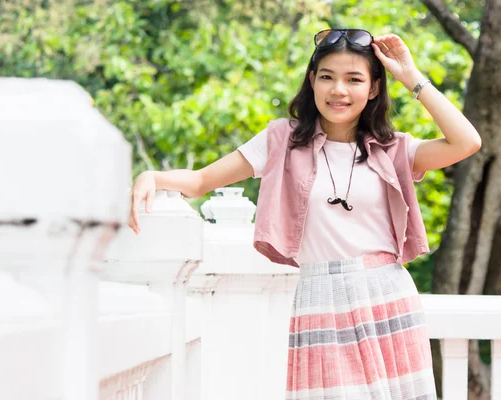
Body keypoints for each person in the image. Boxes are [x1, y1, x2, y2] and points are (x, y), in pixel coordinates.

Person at [129, 29, 481, 400]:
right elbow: (201, 180)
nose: (338, 90)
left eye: (354, 79)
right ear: (312, 80)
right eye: (327, 76)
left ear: (374, 88)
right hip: (319, 296)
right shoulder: (282, 140)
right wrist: (152, 176)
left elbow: (467, 142)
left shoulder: (392, 149)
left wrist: (411, 77)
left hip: (385, 293)